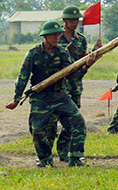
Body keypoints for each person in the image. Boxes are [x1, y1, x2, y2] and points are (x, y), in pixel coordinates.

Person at [7, 21, 88, 166]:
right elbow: (23, 76)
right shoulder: (33, 53)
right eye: (53, 35)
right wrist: (16, 99)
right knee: (37, 130)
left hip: (60, 95)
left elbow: (72, 76)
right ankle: (45, 160)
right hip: (41, 98)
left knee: (78, 123)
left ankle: (75, 158)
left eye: (58, 35)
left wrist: (86, 66)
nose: (57, 38)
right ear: (45, 36)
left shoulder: (62, 52)